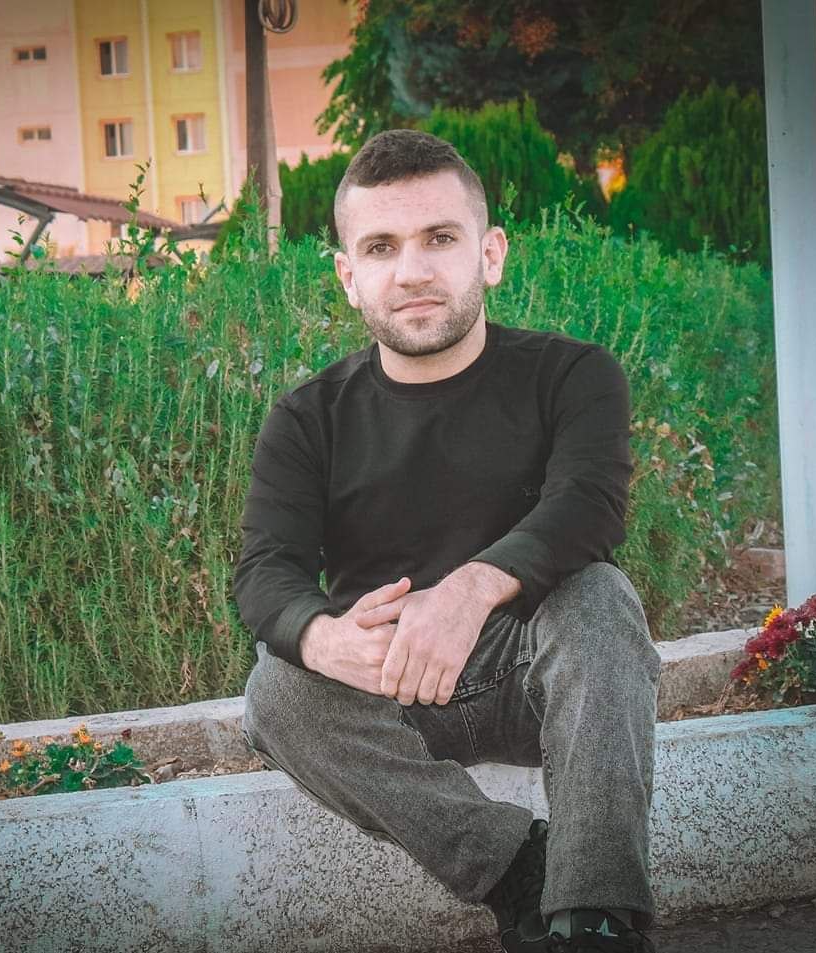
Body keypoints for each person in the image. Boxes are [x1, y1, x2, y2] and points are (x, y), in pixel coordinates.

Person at [234, 129, 661, 953]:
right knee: (276, 692)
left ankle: (596, 921)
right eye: (381, 247)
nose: (412, 271)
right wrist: (322, 638)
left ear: (490, 254)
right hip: (388, 693)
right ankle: (522, 874)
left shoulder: (573, 375)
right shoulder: (306, 418)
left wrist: (470, 590)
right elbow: (265, 569)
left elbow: (590, 507)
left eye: (439, 238)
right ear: (348, 276)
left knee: (602, 598)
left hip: (537, 678)